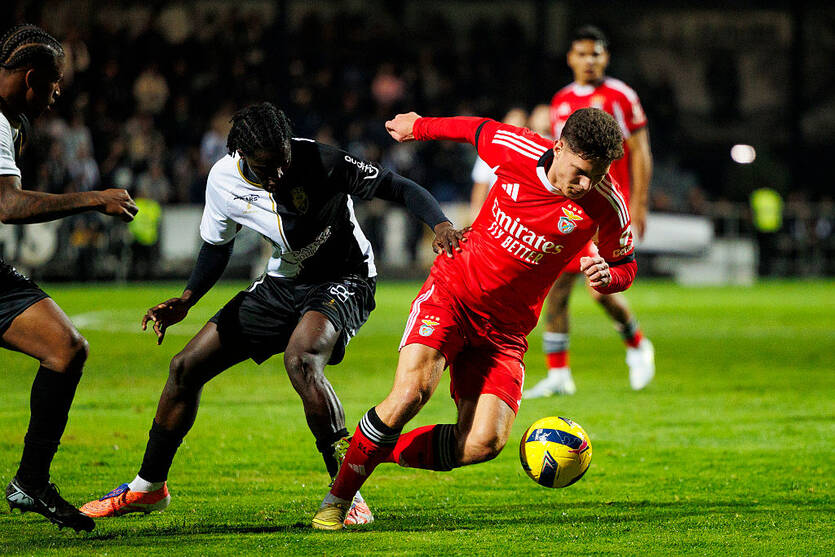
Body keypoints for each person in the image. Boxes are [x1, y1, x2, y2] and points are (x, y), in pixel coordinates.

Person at [79, 102, 462, 527]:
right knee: (185, 367)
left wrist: (441, 225)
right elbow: (217, 247)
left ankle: (346, 493)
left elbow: (398, 186)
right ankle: (148, 487)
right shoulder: (223, 181)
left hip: (344, 278)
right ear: (242, 155)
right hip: (282, 283)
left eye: (283, 161)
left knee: (302, 359)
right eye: (266, 167)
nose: (279, 173)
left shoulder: (320, 159)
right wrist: (187, 298)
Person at [312, 107, 636, 530]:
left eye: (597, 175)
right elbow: (474, 129)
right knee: (410, 394)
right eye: (579, 172)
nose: (586, 185)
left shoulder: (607, 204)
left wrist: (609, 277)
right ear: (558, 148)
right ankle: (337, 502)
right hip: (453, 294)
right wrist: (418, 127)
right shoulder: (516, 148)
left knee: (484, 442)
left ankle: (362, 450)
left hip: (506, 332)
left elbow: (626, 265)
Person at [0, 24, 137, 532]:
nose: (58, 93)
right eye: (54, 82)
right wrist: (95, 199)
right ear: (31, 77)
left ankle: (31, 482)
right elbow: (8, 205)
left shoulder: (11, 121)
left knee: (66, 347)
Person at [525, 25, 654, 398]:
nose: (589, 61)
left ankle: (637, 345)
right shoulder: (561, 100)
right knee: (557, 287)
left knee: (600, 288)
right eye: (582, 54)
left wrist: (639, 203)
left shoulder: (621, 96)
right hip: (571, 207)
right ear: (570, 58)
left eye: (595, 53)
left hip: (607, 207)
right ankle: (558, 374)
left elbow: (641, 151)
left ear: (606, 57)